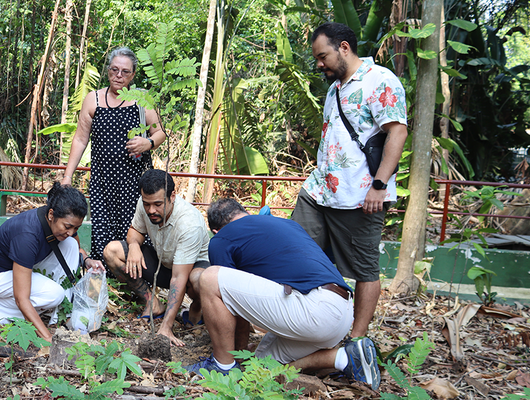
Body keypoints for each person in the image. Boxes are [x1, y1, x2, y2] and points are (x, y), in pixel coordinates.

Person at [185, 198, 380, 390]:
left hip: (313, 308)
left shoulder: (222, 238)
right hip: (342, 314)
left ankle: (222, 366)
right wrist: (242, 357)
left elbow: (234, 309)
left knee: (209, 277)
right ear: (244, 213)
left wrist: (235, 355)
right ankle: (342, 357)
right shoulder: (286, 224)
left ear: (215, 231)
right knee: (258, 367)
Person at [290, 22, 408, 338]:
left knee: (364, 270)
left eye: (322, 56)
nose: (318, 64)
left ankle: (354, 339)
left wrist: (379, 186)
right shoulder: (334, 89)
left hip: (361, 196)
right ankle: (303, 326)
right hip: (319, 192)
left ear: (343, 47)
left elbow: (397, 131)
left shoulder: (380, 80)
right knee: (296, 252)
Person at [61, 46, 167, 269]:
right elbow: (80, 139)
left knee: (134, 233)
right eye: (114, 70)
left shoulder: (142, 99)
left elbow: (160, 132)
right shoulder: (93, 100)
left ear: (133, 75)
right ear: (108, 70)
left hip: (133, 182)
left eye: (125, 72)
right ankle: (102, 283)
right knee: (102, 232)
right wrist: (67, 176)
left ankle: (133, 281)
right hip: (102, 181)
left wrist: (147, 143)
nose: (119, 75)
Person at [0, 183, 100, 341]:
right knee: (54, 294)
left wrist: (86, 260)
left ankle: (61, 311)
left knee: (71, 244)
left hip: (19, 266)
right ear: (52, 214)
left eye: (76, 228)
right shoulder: (27, 235)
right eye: (68, 226)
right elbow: (22, 298)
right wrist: (48, 339)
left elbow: (75, 246)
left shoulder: (53, 221)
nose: (71, 232)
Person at [102, 169, 209, 346]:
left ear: (172, 196)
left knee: (199, 280)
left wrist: (166, 327)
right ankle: (152, 303)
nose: (151, 210)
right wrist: (135, 245)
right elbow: (135, 231)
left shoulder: (190, 224)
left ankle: (196, 308)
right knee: (112, 251)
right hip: (162, 264)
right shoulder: (145, 203)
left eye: (158, 204)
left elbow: (179, 277)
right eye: (147, 204)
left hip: (189, 272)